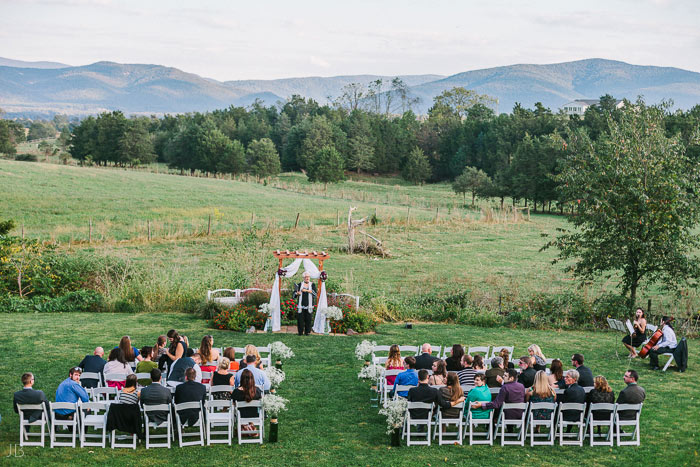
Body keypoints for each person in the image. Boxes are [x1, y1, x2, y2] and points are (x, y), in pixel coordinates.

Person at [294, 271, 317, 335]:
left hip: (309, 305)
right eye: (306, 277)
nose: (307, 278)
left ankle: (307, 332)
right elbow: (294, 294)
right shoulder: (300, 284)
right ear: (303, 278)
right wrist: (297, 293)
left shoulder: (312, 285)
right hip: (301, 305)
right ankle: (300, 332)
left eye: (308, 277)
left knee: (308, 319)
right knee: (300, 319)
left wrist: (306, 290)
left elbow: (315, 294)